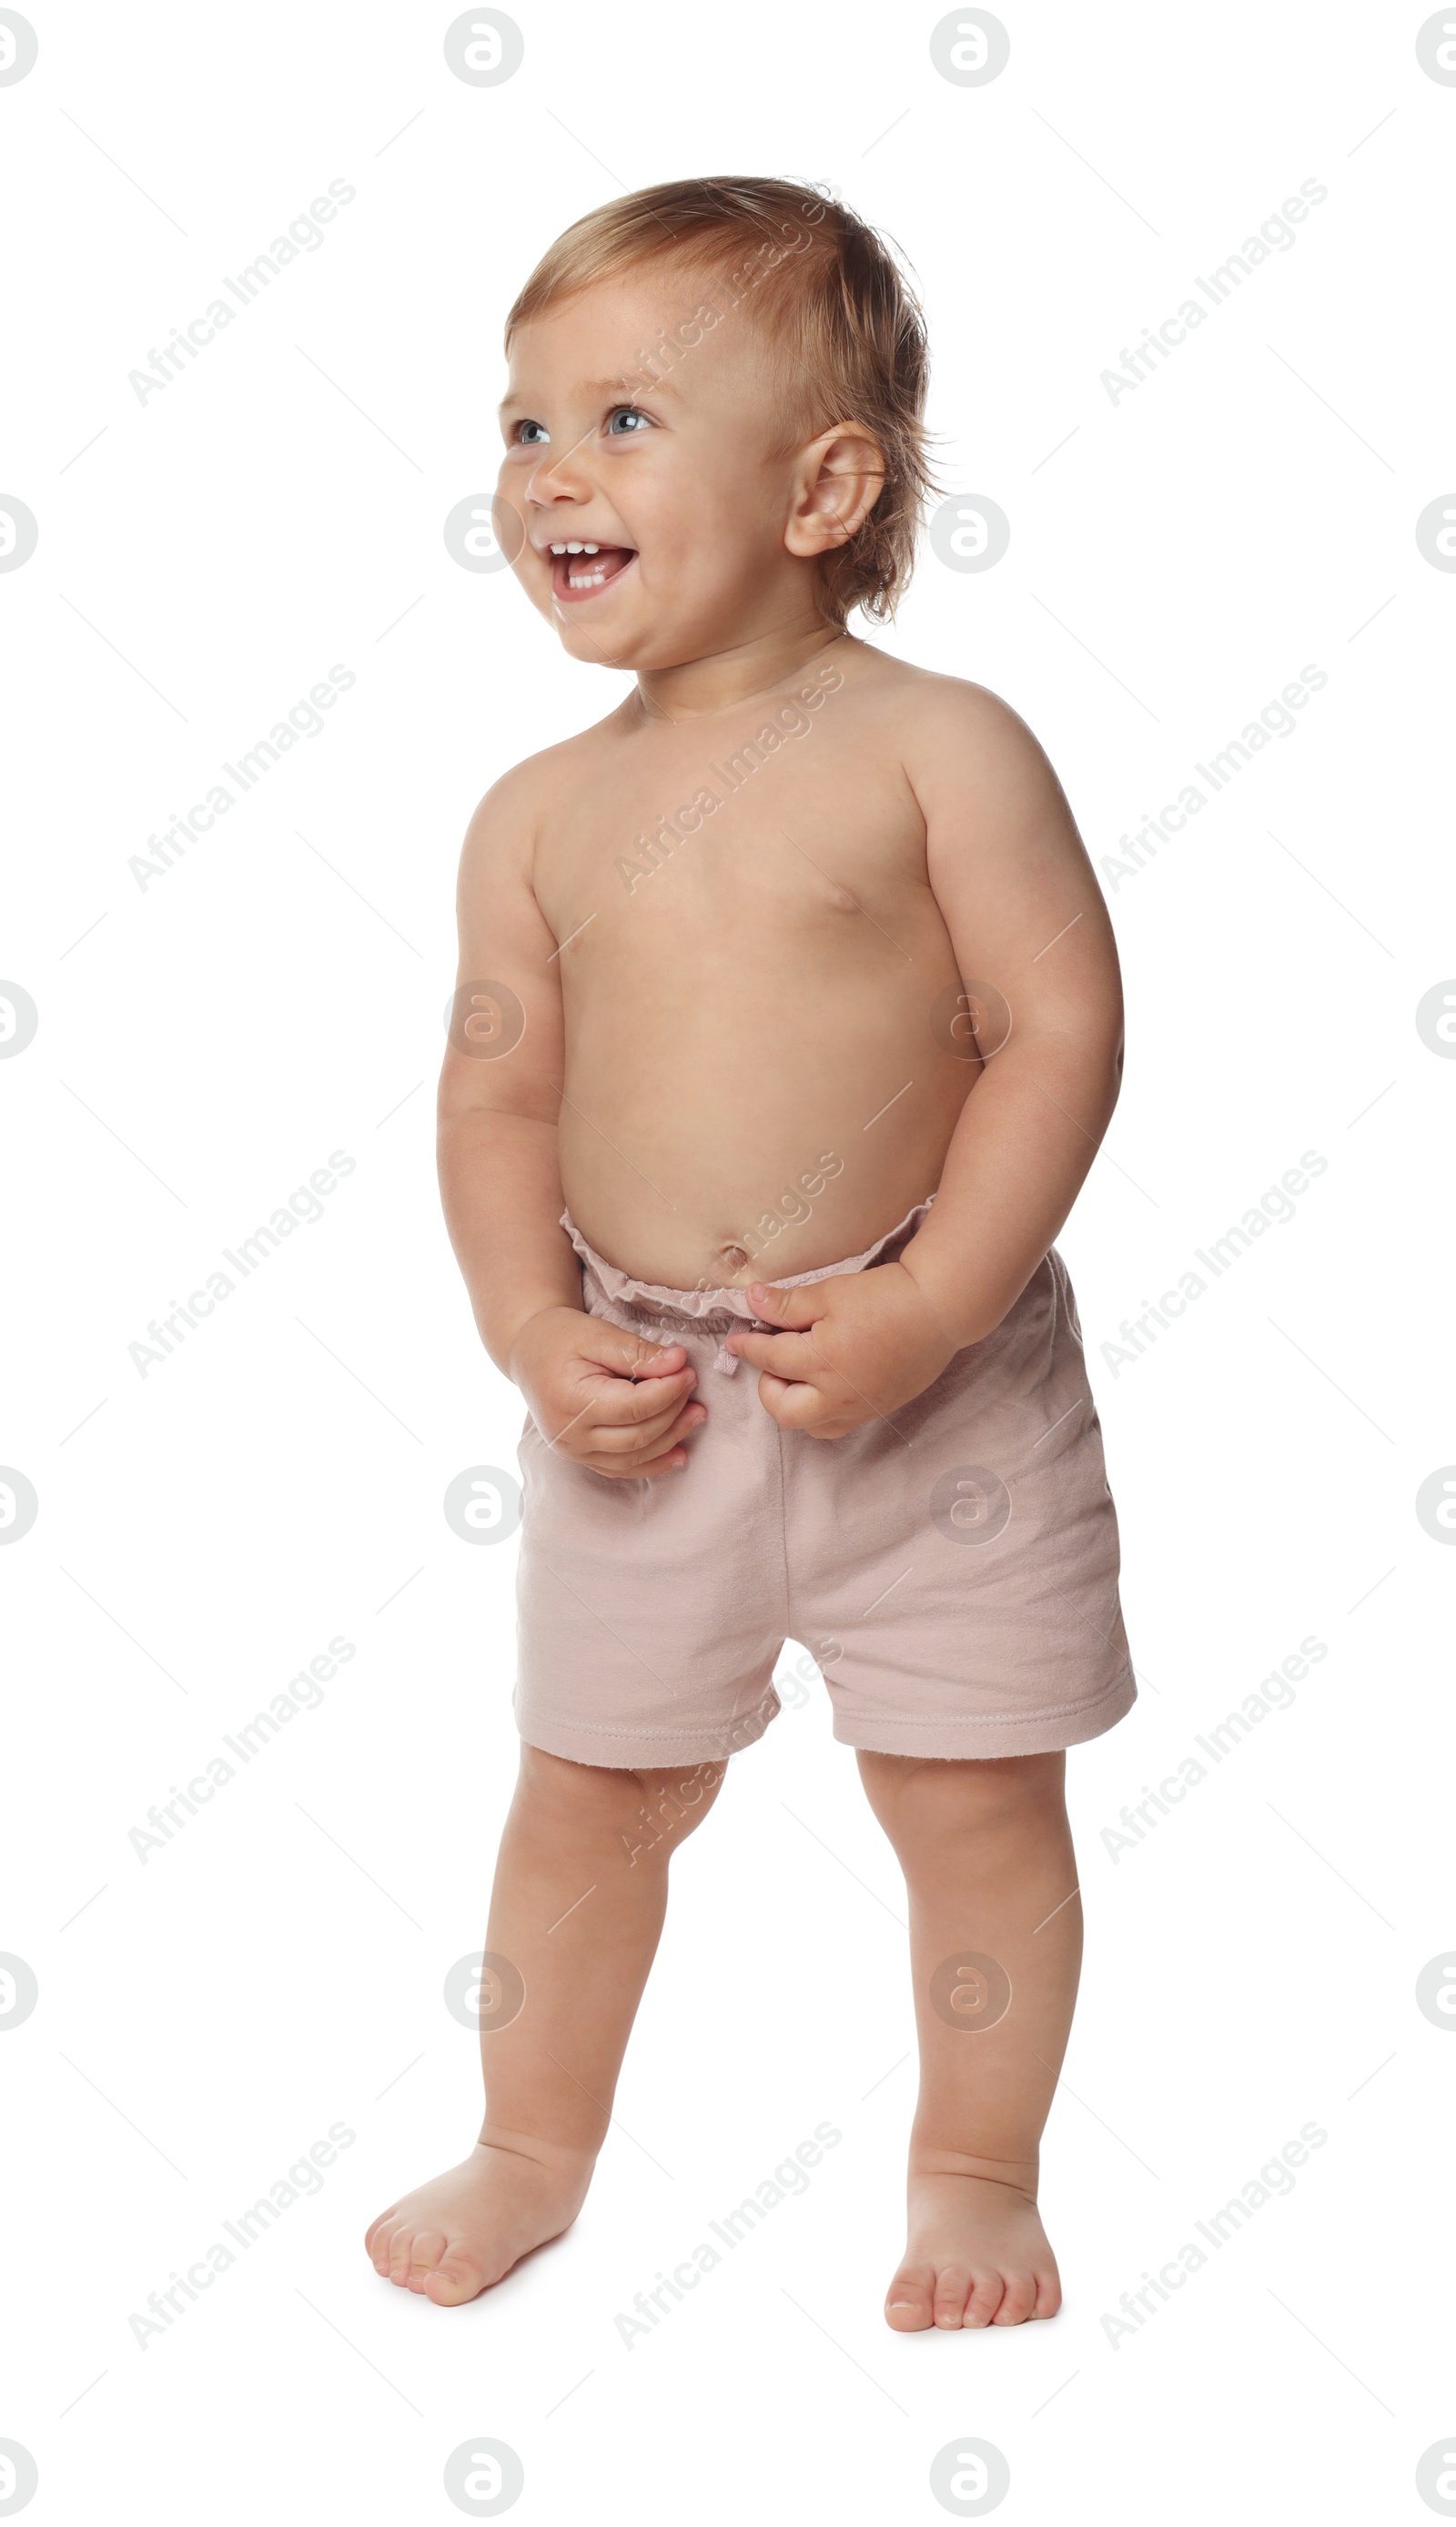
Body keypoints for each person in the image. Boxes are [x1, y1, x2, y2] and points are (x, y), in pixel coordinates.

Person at [365, 176, 1135, 2331]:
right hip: (643, 1398)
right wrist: (530, 1325)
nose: (544, 478)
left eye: (619, 420)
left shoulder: (936, 750)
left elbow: (1056, 1034)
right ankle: (532, 2140)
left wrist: (932, 1299)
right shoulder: (530, 812)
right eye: (520, 428)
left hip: (935, 1385)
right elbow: (494, 1101)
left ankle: (974, 2169)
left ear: (821, 486)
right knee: (586, 1804)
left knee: (973, 1802)